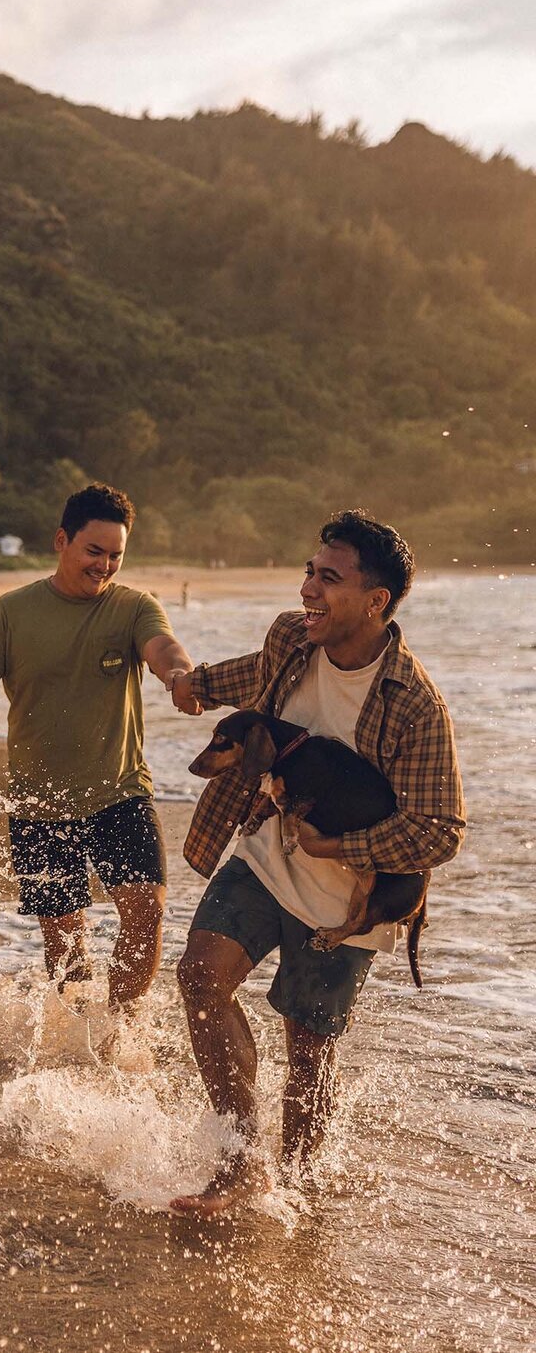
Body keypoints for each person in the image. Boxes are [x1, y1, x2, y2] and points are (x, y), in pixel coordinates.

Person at [169, 510, 464, 1215]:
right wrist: (196, 683)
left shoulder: (416, 707)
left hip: (345, 895)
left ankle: (296, 1196)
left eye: (328, 578)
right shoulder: (291, 637)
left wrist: (343, 849)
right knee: (200, 977)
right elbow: (260, 674)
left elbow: (441, 830)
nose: (308, 588)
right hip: (268, 852)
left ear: (375, 601)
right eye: (309, 570)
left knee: (308, 1048)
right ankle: (241, 1163)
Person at [0, 483, 201, 1027]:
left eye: (116, 555)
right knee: (64, 943)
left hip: (119, 791)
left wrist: (179, 674)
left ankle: (120, 1033)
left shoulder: (133, 608)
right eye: (94, 551)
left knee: (146, 913)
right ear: (62, 541)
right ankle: (79, 1032)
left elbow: (163, 649)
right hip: (38, 804)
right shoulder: (12, 613)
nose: (105, 565)